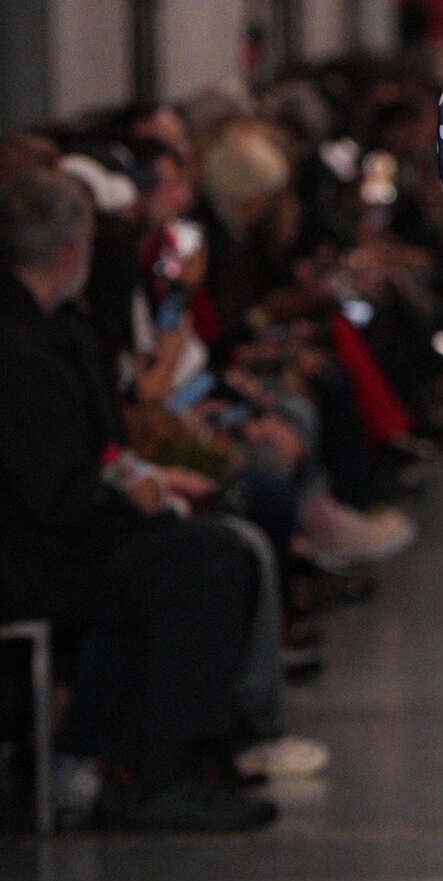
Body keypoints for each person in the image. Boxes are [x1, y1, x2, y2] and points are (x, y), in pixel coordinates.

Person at [0, 168, 275, 831]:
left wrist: (146, 482)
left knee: (205, 544)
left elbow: (87, 458)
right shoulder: (20, 349)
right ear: (72, 251)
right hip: (28, 551)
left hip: (57, 532)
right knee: (201, 561)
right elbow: (53, 492)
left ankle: (126, 751)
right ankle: (159, 773)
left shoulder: (51, 329)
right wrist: (143, 497)